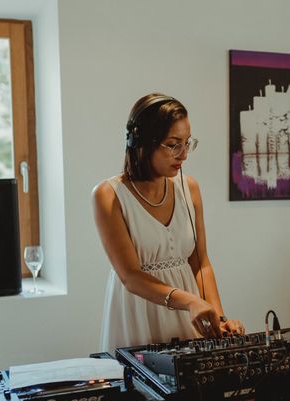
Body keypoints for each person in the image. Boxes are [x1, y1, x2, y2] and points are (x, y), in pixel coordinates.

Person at [93, 93, 245, 353]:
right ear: (140, 142)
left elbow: (200, 262)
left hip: (190, 312)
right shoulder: (108, 195)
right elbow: (130, 276)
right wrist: (190, 302)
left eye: (187, 143)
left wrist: (217, 318)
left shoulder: (190, 188)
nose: (183, 154)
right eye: (172, 144)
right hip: (138, 312)